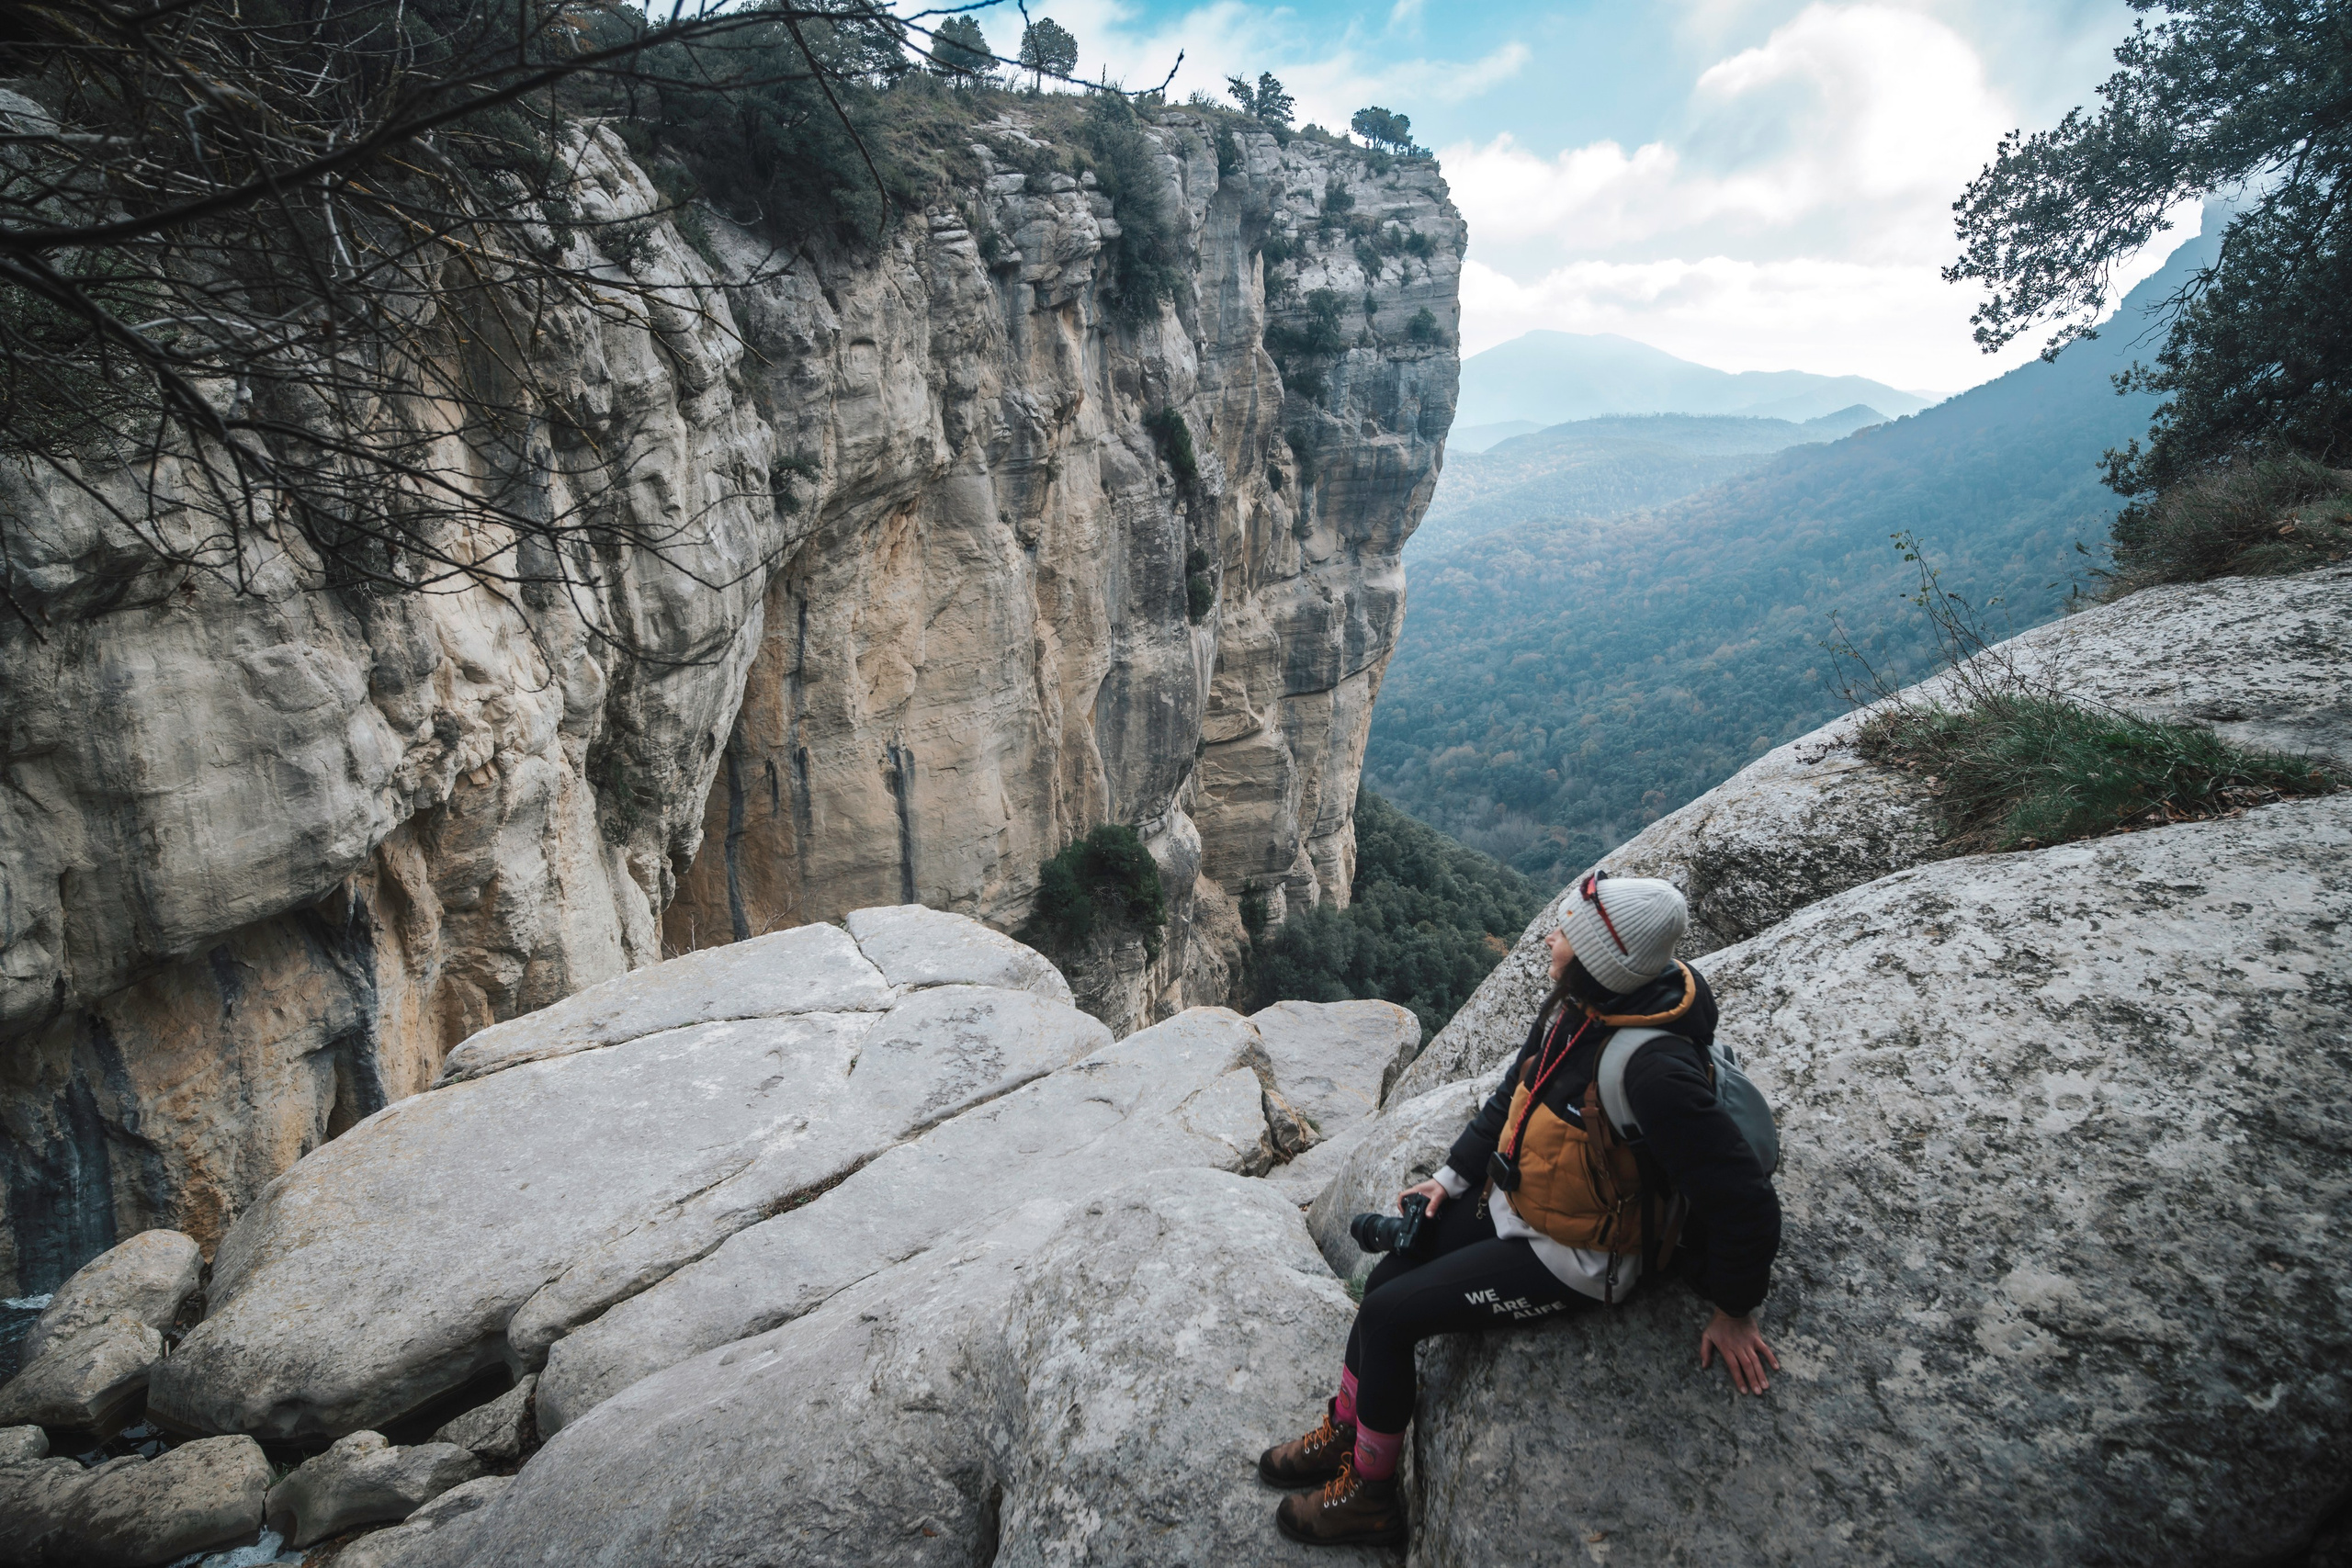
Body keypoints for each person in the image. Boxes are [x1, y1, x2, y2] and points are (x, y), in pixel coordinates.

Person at [1260, 872, 1783, 1549]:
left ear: (1600, 962)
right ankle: (1347, 1427)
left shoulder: (1650, 1070)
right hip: (1523, 1197)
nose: (1553, 935)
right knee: (1388, 1277)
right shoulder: (1582, 1004)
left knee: (1390, 1315)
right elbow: (1515, 1091)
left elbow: (1743, 1198)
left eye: (1568, 932)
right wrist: (1450, 1177)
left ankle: (1369, 1496)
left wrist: (1735, 1309)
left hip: (1580, 1251)